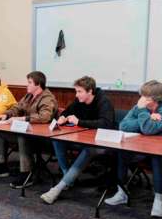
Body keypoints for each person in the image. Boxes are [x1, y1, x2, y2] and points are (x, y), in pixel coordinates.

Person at [102, 80, 162, 217]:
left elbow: (148, 130)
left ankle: (159, 199)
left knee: (157, 156)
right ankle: (122, 192)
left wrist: (143, 112)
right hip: (142, 148)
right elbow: (124, 126)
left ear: (155, 99)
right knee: (121, 152)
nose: (141, 99)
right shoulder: (141, 105)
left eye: (145, 97)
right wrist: (148, 117)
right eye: (142, 96)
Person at [40, 76, 116, 204]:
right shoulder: (79, 100)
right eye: (76, 91)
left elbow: (106, 123)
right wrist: (62, 118)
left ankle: (59, 188)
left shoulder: (104, 101)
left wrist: (79, 121)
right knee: (57, 139)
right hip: (84, 137)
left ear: (90, 91)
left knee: (88, 149)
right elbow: (67, 111)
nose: (77, 94)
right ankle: (67, 176)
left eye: (79, 91)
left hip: (103, 142)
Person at [0, 71, 58, 188]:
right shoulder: (29, 95)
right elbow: (17, 107)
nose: (27, 85)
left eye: (30, 83)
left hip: (43, 137)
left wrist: (22, 119)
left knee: (22, 136)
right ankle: (1, 165)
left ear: (38, 84)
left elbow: (45, 117)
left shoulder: (47, 98)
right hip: (29, 132)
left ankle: (26, 172)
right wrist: (6, 114)